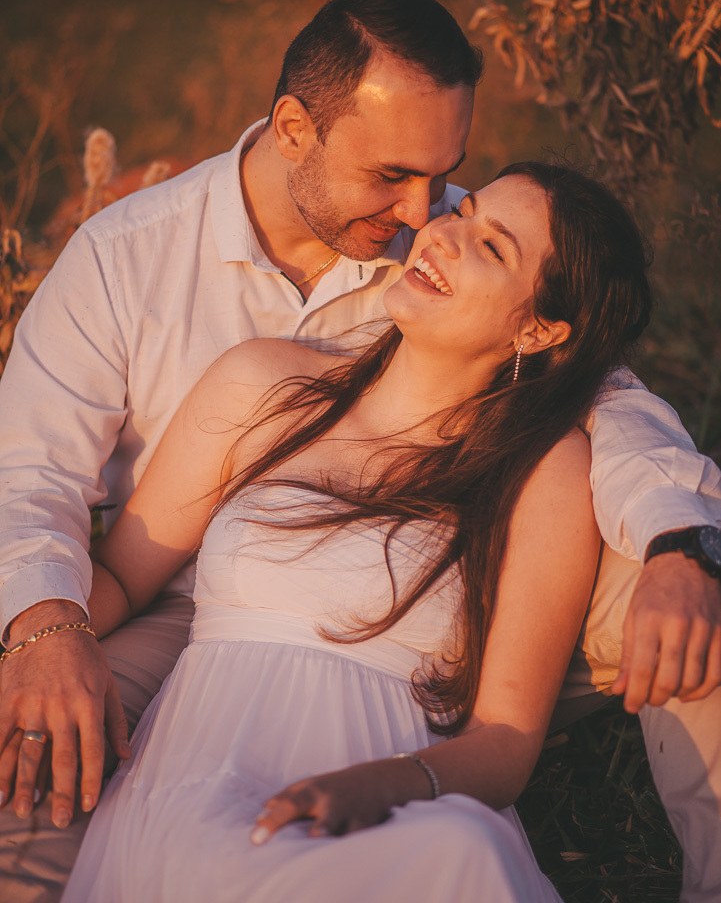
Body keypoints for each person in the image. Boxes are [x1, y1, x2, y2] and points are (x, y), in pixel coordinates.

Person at [0, 0, 719, 902]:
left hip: (436, 614)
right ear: (294, 129)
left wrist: (680, 545)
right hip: (182, 610)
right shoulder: (130, 261)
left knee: (699, 606)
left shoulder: (457, 255)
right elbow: (29, 477)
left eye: (446, 178)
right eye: (392, 178)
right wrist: (41, 628)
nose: (426, 211)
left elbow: (609, 398)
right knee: (24, 807)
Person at [60, 163, 649, 902]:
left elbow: (505, 741)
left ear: (538, 326)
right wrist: (43, 642)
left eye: (493, 249)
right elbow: (117, 578)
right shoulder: (265, 385)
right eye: (462, 215)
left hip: (389, 811)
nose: (443, 236)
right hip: (191, 790)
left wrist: (387, 784)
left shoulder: (542, 468)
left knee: (461, 852)